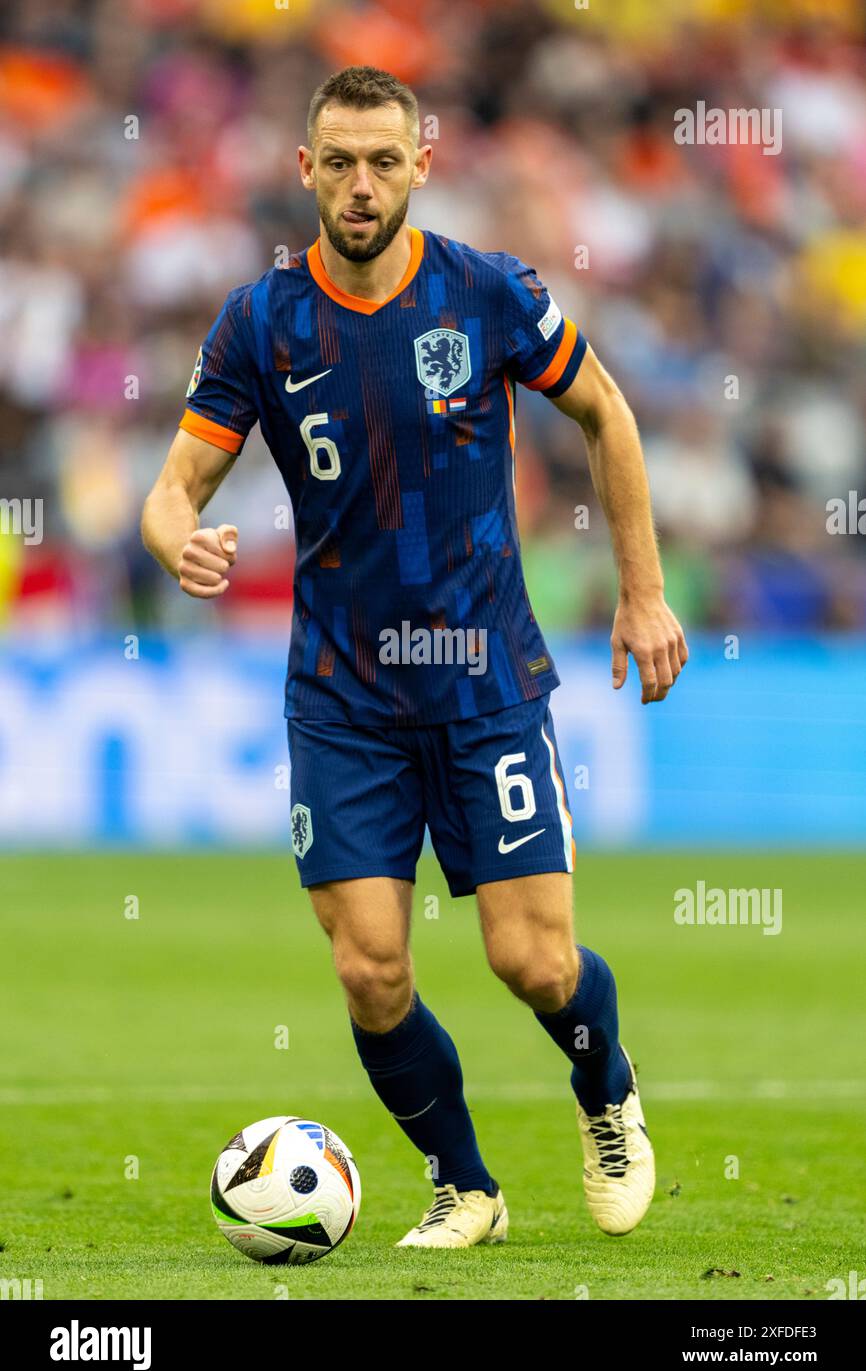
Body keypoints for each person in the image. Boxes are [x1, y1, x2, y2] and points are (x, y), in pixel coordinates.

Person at [142, 65, 688, 1249]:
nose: (360, 183)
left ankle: (607, 1094)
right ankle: (468, 1186)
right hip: (342, 694)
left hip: (484, 678)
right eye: (338, 160)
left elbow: (607, 412)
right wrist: (180, 540)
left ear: (421, 167)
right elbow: (172, 489)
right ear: (305, 170)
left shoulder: (487, 293)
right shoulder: (261, 322)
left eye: (384, 160)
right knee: (371, 970)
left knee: (532, 962)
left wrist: (640, 591)